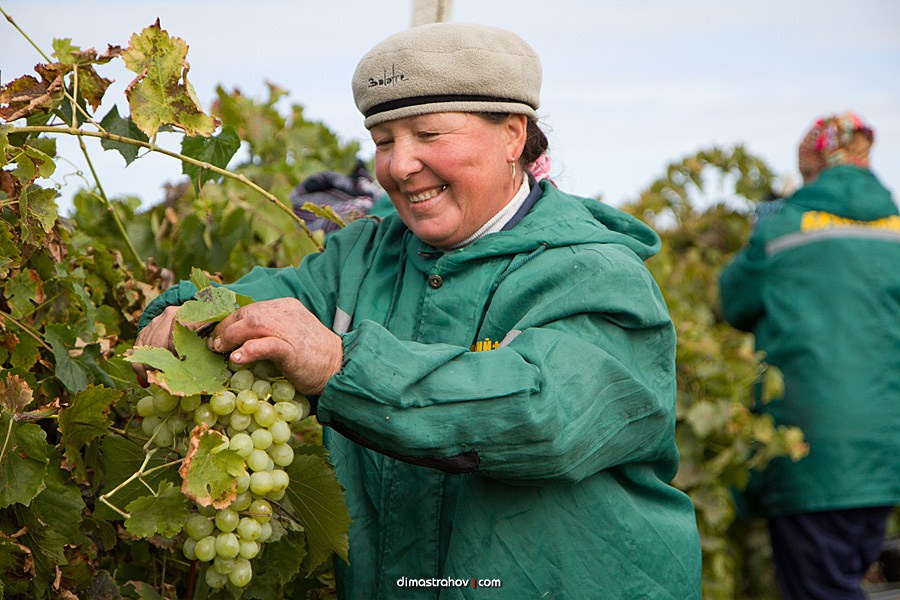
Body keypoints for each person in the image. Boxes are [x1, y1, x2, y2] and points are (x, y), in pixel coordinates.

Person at [134, 22, 701, 599]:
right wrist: (186, 314)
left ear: (512, 135)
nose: (400, 165)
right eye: (384, 141)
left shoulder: (597, 275)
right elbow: (256, 301)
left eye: (428, 134)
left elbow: (539, 415)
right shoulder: (362, 259)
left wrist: (337, 365)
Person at [719, 112, 900, 599]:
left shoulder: (784, 226)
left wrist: (764, 225)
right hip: (885, 455)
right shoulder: (897, 226)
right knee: (845, 578)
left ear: (811, 162)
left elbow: (733, 302)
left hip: (810, 450)